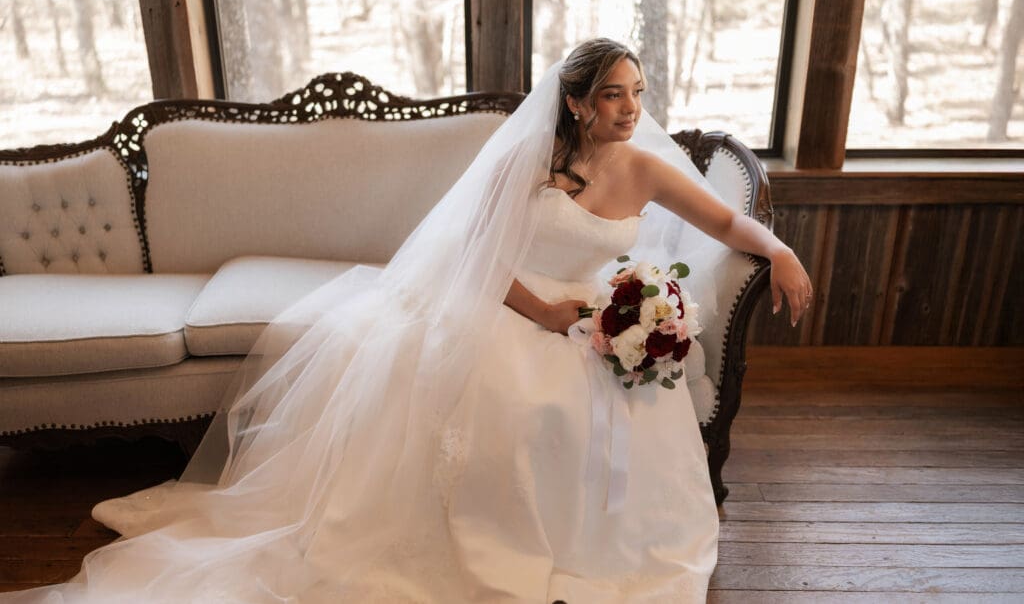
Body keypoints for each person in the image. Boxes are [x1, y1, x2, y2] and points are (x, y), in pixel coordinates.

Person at [3, 39, 811, 603]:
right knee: (514, 400)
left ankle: (595, 544)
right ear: (574, 101)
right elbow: (477, 255)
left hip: (586, 314)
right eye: (613, 94)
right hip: (506, 300)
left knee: (614, 400)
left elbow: (724, 222)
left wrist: (778, 250)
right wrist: (541, 311)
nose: (632, 109)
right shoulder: (530, 159)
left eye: (638, 92)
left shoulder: (644, 164)